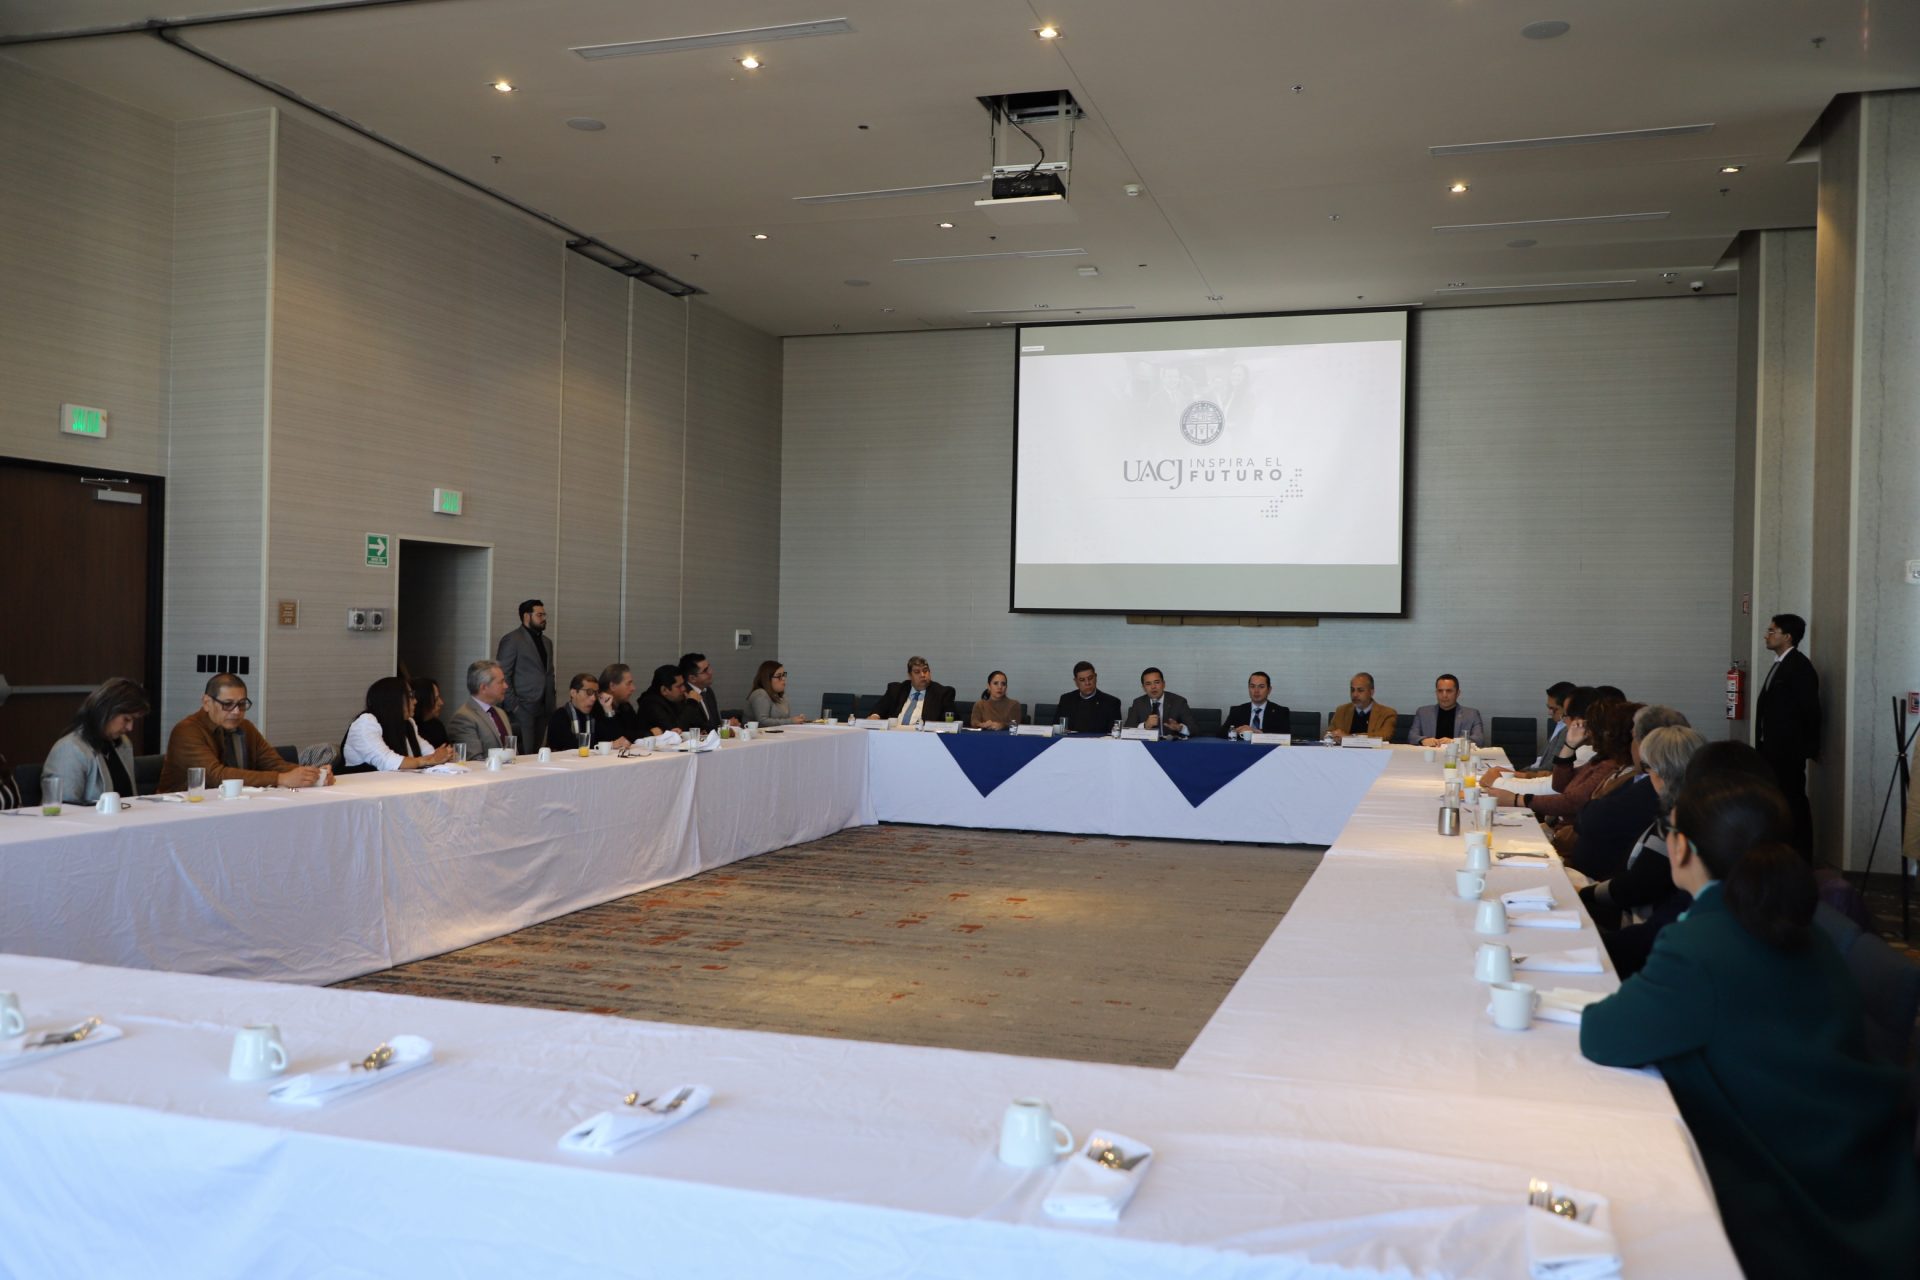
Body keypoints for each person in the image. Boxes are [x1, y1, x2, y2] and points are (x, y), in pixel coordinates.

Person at [1580, 771, 1920, 1280]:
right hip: (1860, 1172)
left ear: (1682, 848)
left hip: (1780, 1199)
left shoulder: (1701, 943)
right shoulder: (1803, 926)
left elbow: (1601, 1035)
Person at [1563, 705, 1690, 881]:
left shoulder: (1654, 785)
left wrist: (1591, 892)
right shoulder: (1639, 777)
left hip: (1604, 883)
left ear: (1646, 744)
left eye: (1633, 738)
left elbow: (1590, 818)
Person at [158, 673, 326, 790]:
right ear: (207, 703)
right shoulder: (186, 731)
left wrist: (313, 775)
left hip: (234, 805)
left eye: (242, 704)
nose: (236, 712)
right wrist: (280, 779)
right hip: (184, 810)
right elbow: (216, 776)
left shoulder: (245, 727)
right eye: (227, 704)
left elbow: (274, 764)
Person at [1754, 612, 1820, 860]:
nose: (1767, 635)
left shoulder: (1799, 667)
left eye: (1772, 631)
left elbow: (1810, 710)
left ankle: (1799, 855)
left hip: (1788, 751)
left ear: (1788, 636)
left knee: (1793, 801)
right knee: (1778, 801)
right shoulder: (1780, 664)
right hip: (1772, 748)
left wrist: (1808, 747)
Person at [43, 677, 150, 803]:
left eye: (134, 720)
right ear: (107, 710)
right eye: (126, 719)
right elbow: (63, 807)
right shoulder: (70, 749)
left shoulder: (123, 744)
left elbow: (129, 796)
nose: (130, 728)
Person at [339, 676, 455, 773]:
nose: (415, 701)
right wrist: (427, 760)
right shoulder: (365, 723)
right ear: (393, 699)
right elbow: (388, 762)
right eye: (410, 696)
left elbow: (429, 752)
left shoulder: (408, 723)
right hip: (363, 788)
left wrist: (443, 756)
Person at [496, 599, 555, 753]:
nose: (544, 618)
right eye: (539, 615)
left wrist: (551, 703)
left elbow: (548, 673)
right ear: (526, 616)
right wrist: (514, 707)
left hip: (544, 707)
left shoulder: (547, 642)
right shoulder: (512, 640)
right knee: (524, 754)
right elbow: (503, 674)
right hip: (522, 707)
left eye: (544, 615)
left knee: (537, 753)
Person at [445, 659, 514, 758]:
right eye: (501, 682)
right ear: (484, 687)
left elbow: (512, 752)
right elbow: (474, 759)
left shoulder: (500, 713)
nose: (506, 686)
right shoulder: (463, 718)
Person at [870, 656, 955, 726]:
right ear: (909, 676)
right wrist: (875, 716)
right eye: (917, 672)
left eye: (925, 671)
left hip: (924, 737)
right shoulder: (896, 690)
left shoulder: (942, 693)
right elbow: (879, 709)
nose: (922, 675)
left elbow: (951, 720)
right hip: (894, 734)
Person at [1408, 674, 1486, 748]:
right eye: (1440, 691)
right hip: (1430, 754)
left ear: (1458, 693)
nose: (1444, 695)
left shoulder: (1472, 714)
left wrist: (1454, 741)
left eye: (1449, 691)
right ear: (1436, 693)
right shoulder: (1423, 712)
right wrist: (1423, 740)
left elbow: (1479, 739)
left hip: (1457, 755)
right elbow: (1412, 736)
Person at [1054, 661, 1122, 734]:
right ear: (1076, 681)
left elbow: (1115, 734)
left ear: (1095, 677)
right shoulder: (1066, 700)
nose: (1087, 683)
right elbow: (1055, 728)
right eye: (1082, 680)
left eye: (1090, 678)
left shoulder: (1111, 703)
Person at [1124, 667, 1193, 738]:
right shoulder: (1138, 703)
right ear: (1144, 688)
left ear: (1163, 684)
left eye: (1157, 682)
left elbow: (1195, 729)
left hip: (1171, 743)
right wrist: (1145, 726)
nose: (1153, 687)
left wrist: (1180, 728)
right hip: (1147, 744)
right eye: (1148, 684)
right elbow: (1126, 730)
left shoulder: (1179, 702)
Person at [1221, 671, 1291, 738]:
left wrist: (1254, 731)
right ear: (1248, 688)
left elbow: (1285, 734)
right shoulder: (1237, 710)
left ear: (1269, 690)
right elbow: (1221, 732)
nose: (1256, 691)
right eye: (1252, 686)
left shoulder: (1280, 711)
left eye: (1261, 687)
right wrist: (1236, 731)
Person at [680, 652, 737, 732]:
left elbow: (714, 723)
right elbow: (697, 727)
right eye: (705, 671)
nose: (711, 672)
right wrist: (723, 727)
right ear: (692, 678)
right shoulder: (684, 695)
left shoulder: (708, 691)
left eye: (709, 667)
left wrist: (726, 724)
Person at [1327, 673, 1395, 740]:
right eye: (1352, 690)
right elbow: (1328, 734)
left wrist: (1348, 737)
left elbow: (1385, 735)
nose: (1355, 694)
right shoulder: (1341, 710)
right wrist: (1332, 736)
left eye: (1360, 690)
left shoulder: (1387, 713)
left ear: (1371, 692)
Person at [638, 664, 699, 737]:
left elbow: (696, 724)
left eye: (683, 684)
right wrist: (692, 703)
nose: (684, 689)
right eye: (679, 686)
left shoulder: (676, 698)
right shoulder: (651, 704)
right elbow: (675, 731)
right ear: (664, 690)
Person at [548, 672, 605, 750]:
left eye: (596, 693)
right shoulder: (560, 716)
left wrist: (608, 710)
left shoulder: (595, 713)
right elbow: (567, 746)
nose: (594, 698)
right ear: (573, 693)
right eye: (589, 692)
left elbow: (607, 740)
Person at [591, 664, 640, 748]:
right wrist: (609, 712)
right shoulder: (594, 707)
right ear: (612, 686)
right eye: (628, 684)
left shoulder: (625, 705)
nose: (633, 688)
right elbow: (613, 739)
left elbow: (636, 733)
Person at [1532, 680, 1579, 768]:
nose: (1549, 713)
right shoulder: (1560, 724)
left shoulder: (1569, 731)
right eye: (1548, 707)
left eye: (1554, 709)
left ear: (1568, 707)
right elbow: (1542, 759)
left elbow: (1551, 767)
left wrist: (1521, 773)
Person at [745, 660, 806, 725]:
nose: (783, 678)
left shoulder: (781, 696)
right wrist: (791, 721)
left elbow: (784, 720)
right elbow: (762, 721)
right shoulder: (760, 694)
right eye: (779, 676)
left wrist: (797, 719)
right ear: (767, 678)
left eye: (783, 675)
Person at [411, 677, 449, 748]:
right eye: (436, 699)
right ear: (422, 700)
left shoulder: (437, 725)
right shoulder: (410, 727)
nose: (441, 703)